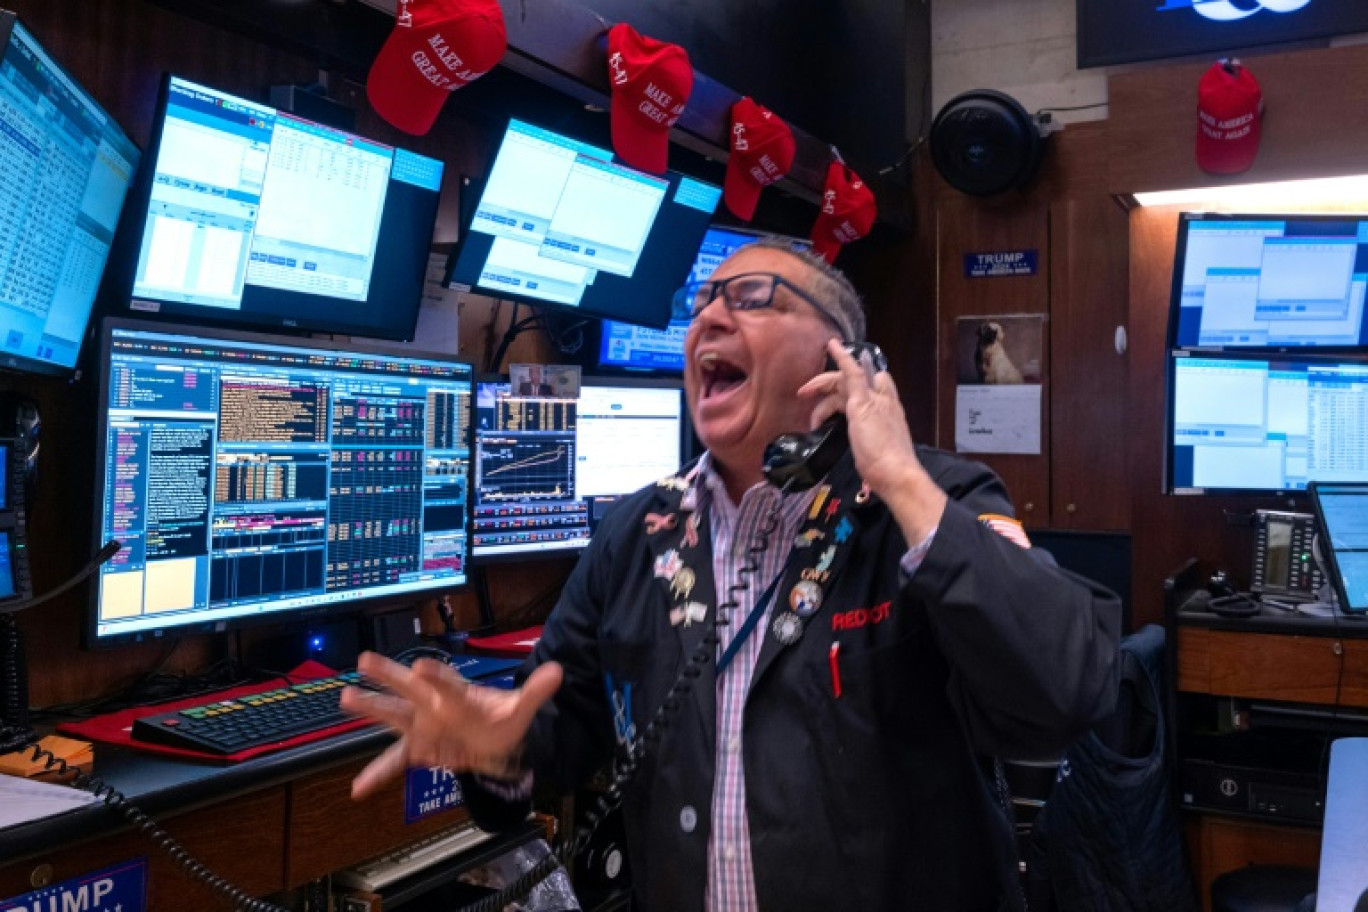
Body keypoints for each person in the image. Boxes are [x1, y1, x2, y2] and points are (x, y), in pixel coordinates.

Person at [342, 239, 1122, 912]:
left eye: (751, 299)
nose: (708, 319)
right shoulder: (636, 534)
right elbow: (565, 724)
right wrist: (499, 749)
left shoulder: (932, 503)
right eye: (702, 303)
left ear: (841, 358)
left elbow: (1067, 687)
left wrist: (900, 477)